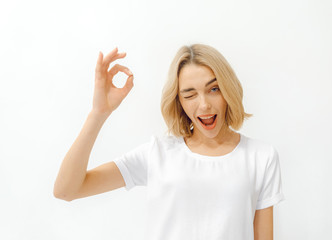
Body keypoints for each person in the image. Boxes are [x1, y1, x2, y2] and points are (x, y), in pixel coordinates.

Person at [53, 44, 285, 240]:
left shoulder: (261, 157)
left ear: (228, 91)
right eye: (190, 94)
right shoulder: (158, 153)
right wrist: (98, 113)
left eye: (214, 89)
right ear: (179, 102)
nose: (204, 105)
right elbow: (66, 190)